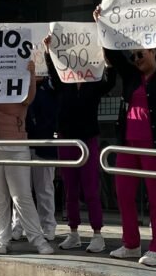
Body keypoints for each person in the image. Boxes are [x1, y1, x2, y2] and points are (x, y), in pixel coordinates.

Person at [98, 5, 156, 267]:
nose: (136, 58)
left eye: (140, 53)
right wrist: (103, 24)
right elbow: (114, 55)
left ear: (153, 51)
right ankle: (131, 244)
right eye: (133, 55)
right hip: (128, 145)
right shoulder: (132, 76)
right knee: (123, 194)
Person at [44, 37, 116, 253]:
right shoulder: (63, 83)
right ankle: (73, 232)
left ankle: (97, 234)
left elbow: (111, 81)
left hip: (88, 139)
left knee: (91, 188)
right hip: (67, 140)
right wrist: (48, 52)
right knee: (70, 189)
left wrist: (107, 58)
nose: (76, 64)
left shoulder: (93, 84)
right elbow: (52, 73)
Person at [0, 60, 53, 255]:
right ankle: (0, 240)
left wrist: (31, 73)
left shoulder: (19, 77)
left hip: (15, 143)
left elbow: (28, 98)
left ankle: (37, 239)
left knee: (21, 196)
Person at [11, 74, 58, 242]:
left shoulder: (51, 86)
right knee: (19, 190)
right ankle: (17, 226)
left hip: (45, 144)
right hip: (21, 142)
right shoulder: (19, 84)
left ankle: (48, 226)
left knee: (44, 188)